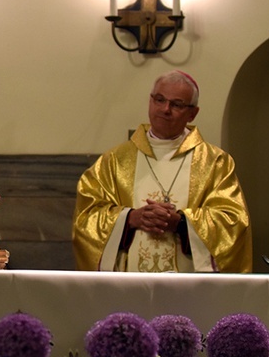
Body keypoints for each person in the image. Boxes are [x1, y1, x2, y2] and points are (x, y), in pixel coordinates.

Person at [72, 70, 252, 273]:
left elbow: (233, 221)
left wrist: (182, 223)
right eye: (160, 100)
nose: (166, 109)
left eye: (176, 104)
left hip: (189, 285)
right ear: (150, 102)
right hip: (130, 283)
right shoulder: (115, 160)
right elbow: (86, 218)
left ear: (193, 113)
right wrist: (130, 218)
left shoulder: (215, 162)